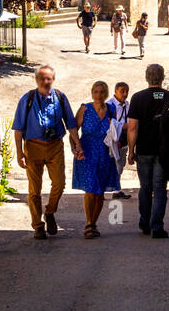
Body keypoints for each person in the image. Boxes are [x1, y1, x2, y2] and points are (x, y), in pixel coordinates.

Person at [12, 65, 83, 240]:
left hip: (54, 146)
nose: (45, 82)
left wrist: (78, 145)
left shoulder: (60, 97)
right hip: (33, 147)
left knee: (59, 183)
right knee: (34, 190)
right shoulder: (27, 99)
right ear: (36, 80)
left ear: (53, 79)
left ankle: (50, 212)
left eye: (48, 78)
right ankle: (37, 226)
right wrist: (19, 153)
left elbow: (71, 124)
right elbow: (18, 129)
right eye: (42, 78)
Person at [127, 63, 169, 239]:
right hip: (165, 152)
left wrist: (131, 151)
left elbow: (133, 128)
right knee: (159, 188)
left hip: (144, 150)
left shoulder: (137, 98)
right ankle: (157, 226)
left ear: (146, 77)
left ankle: (144, 222)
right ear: (163, 78)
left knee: (145, 187)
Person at [73, 80, 120, 238]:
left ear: (106, 94)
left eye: (101, 92)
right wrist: (75, 148)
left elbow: (115, 130)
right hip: (87, 152)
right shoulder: (84, 109)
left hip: (105, 153)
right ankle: (88, 223)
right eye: (96, 92)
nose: (98, 95)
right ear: (92, 93)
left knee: (100, 192)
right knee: (91, 189)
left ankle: (94, 223)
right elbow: (73, 131)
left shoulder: (111, 109)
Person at [107, 82, 131, 199]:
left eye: (127, 91)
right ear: (116, 91)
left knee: (120, 165)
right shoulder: (109, 104)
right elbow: (108, 122)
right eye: (122, 91)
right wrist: (123, 126)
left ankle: (117, 190)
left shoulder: (127, 104)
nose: (125, 94)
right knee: (111, 165)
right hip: (113, 139)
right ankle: (100, 191)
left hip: (123, 139)